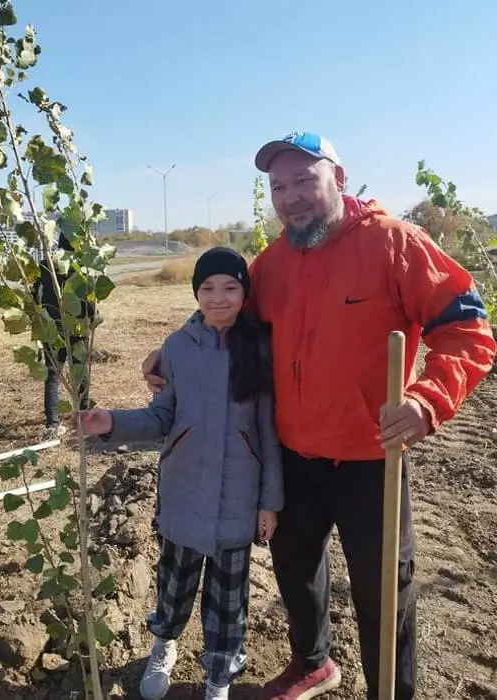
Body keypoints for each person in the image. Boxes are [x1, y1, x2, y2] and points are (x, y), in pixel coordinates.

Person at [141, 132, 496, 700]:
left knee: (383, 589)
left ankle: (391, 690)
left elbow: (468, 329)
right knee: (297, 569)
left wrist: (428, 398)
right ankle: (313, 662)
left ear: (339, 178)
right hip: (293, 455)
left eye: (304, 180)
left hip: (369, 458)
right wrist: (172, 350)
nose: (291, 197)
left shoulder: (395, 245)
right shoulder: (273, 264)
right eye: (278, 186)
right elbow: (218, 308)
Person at [71, 247, 282, 700]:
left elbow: (268, 434)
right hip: (183, 494)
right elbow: (161, 418)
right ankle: (163, 646)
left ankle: (219, 677)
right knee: (174, 585)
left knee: (229, 603)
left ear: (245, 292)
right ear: (195, 294)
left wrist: (270, 502)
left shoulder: (261, 349)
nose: (219, 298)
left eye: (230, 287)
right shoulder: (177, 347)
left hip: (237, 501)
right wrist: (110, 421)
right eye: (207, 288)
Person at [33, 231, 92, 429]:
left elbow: (36, 295)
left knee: (52, 376)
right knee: (80, 373)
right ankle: (84, 418)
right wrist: (90, 321)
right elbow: (90, 300)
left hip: (52, 328)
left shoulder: (46, 264)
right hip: (77, 328)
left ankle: (52, 424)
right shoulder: (82, 267)